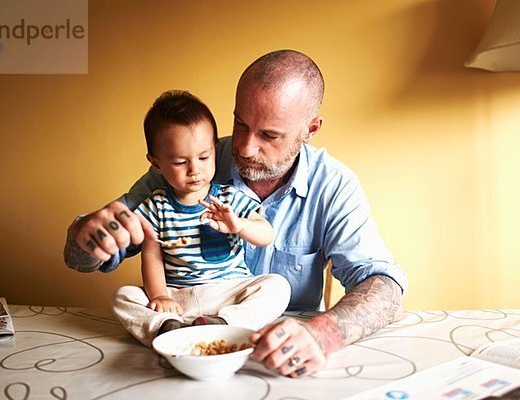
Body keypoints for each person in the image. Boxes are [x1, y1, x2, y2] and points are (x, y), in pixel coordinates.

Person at [64, 49, 408, 378]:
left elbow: (384, 285)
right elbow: (84, 255)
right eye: (240, 123)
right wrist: (87, 238)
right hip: (181, 343)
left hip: (272, 357)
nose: (243, 147)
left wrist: (325, 334)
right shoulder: (191, 157)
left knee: (277, 287)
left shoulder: (333, 185)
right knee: (125, 296)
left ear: (310, 130)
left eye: (269, 135)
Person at [111, 90, 291, 346]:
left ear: (215, 150)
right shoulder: (156, 206)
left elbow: (266, 234)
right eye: (181, 162)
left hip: (228, 293)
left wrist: (239, 225)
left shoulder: (228, 198)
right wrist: (161, 296)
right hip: (178, 297)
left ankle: (225, 324)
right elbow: (151, 255)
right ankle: (165, 328)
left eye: (204, 157)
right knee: (124, 296)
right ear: (156, 163)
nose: (195, 170)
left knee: (277, 286)